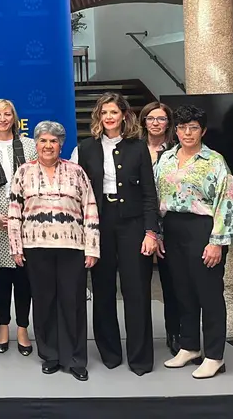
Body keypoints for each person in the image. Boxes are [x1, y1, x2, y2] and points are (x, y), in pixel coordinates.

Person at [71, 92, 159, 375]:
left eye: (114, 112)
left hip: (133, 225)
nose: (109, 117)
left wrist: (150, 232)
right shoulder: (86, 148)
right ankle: (109, 352)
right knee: (103, 289)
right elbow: (79, 194)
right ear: (99, 117)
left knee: (136, 290)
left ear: (124, 115)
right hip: (100, 224)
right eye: (104, 112)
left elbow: (149, 194)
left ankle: (140, 358)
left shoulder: (138, 147)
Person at [8, 121, 99, 381]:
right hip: (36, 247)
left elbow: (90, 209)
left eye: (53, 141)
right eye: (43, 141)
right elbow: (14, 212)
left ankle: (75, 358)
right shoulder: (23, 172)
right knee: (44, 302)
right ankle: (50, 355)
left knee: (73, 303)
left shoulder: (77, 172)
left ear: (61, 144)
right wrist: (16, 246)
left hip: (72, 246)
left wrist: (92, 247)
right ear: (35, 144)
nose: (48, 146)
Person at [157, 104, 233, 380]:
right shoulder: (166, 159)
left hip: (203, 229)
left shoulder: (214, 161)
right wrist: (157, 233)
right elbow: (157, 199)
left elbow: (226, 202)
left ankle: (214, 355)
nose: (187, 133)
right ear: (175, 130)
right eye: (181, 127)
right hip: (172, 228)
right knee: (183, 291)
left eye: (193, 127)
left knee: (209, 293)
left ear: (202, 130)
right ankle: (189, 346)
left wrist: (216, 242)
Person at [0, 99, 36, 357]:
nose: (2, 118)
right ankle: (3, 326)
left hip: (26, 221)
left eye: (7, 113)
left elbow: (38, 181)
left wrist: (22, 213)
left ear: (14, 116)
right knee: (1, 279)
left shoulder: (31, 146)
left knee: (24, 278)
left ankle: (22, 328)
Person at [140, 100, 180, 356]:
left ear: (169, 123)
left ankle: (175, 333)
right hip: (142, 224)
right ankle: (141, 337)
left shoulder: (178, 151)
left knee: (173, 283)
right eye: (151, 118)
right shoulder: (133, 149)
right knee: (141, 282)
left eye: (161, 119)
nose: (156, 123)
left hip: (172, 225)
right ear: (143, 122)